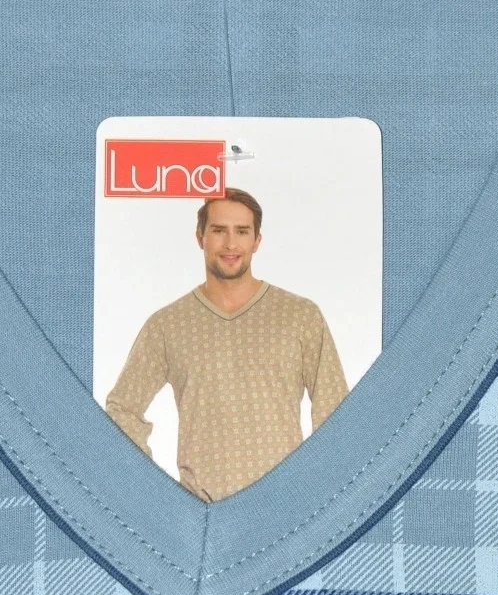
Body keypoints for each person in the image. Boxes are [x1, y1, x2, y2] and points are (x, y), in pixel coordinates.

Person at [105, 187, 349, 501]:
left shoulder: (300, 316)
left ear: (257, 240)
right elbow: (122, 408)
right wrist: (159, 493)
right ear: (200, 238)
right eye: (219, 231)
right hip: (201, 512)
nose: (231, 244)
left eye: (242, 232)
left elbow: (336, 413)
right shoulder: (168, 325)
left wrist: (317, 494)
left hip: (286, 506)